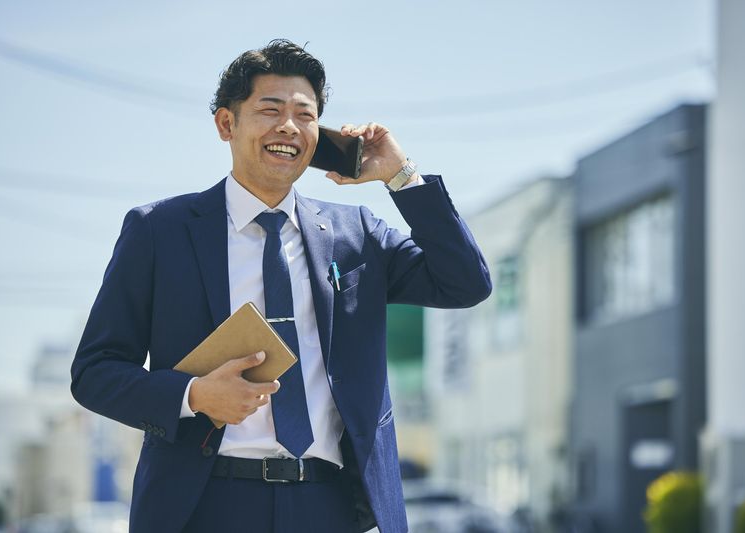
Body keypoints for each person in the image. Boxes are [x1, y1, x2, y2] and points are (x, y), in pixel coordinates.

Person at [71, 39, 491, 533]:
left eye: (304, 114)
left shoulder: (356, 234)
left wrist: (400, 176)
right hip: (204, 505)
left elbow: (465, 283)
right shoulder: (159, 231)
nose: (288, 127)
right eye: (270, 110)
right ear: (227, 124)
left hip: (329, 505)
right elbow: (95, 372)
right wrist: (196, 395)